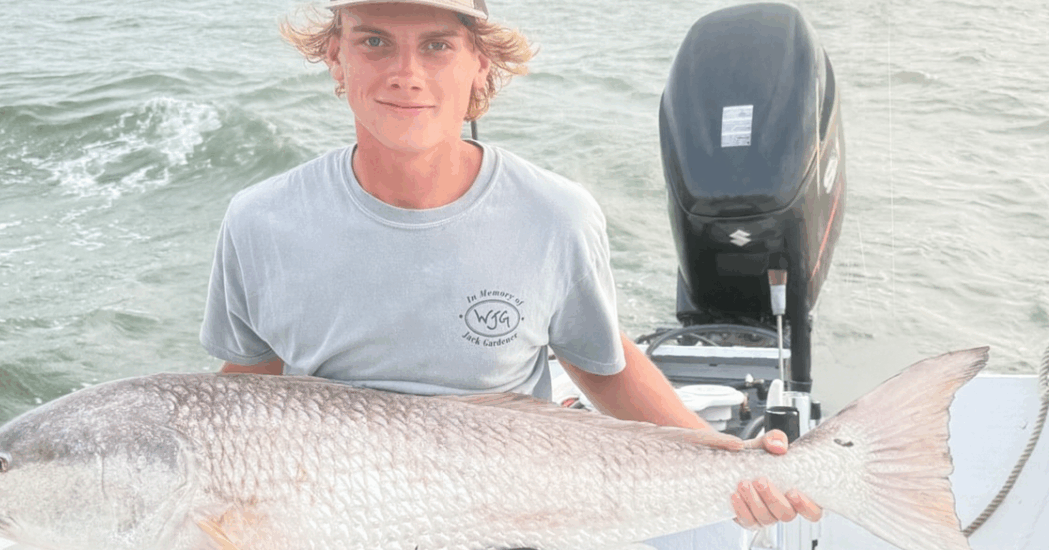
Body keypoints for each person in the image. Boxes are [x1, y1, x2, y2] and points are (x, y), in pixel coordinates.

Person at [199, 0, 821, 534]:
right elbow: (246, 387)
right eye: (375, 42)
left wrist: (733, 462)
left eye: (437, 45)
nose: (406, 74)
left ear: (481, 63)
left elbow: (604, 367)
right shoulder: (259, 220)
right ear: (337, 56)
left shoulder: (556, 215)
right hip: (326, 523)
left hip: (511, 523)